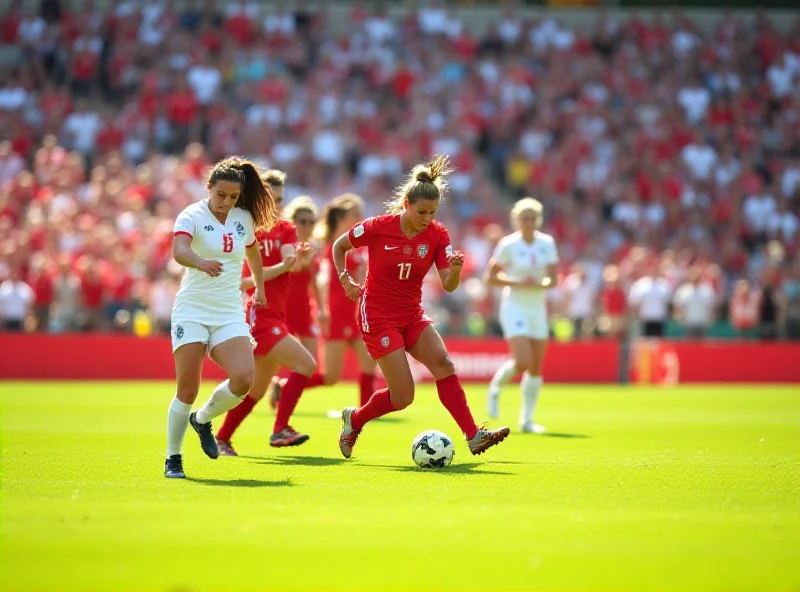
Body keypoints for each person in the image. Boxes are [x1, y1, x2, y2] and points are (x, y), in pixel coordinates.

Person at [332, 155, 510, 459]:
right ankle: (355, 420)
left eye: (433, 212)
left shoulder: (438, 235)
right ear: (406, 204)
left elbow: (449, 284)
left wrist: (453, 271)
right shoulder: (378, 227)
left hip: (411, 313)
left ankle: (473, 435)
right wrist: (345, 278)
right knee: (403, 397)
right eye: (422, 211)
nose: (427, 218)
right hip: (377, 315)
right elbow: (340, 246)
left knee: (444, 364)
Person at [165, 156, 278, 479]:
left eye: (233, 197)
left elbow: (253, 251)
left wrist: (259, 286)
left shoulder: (242, 217)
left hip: (228, 310)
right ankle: (173, 457)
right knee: (187, 390)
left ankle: (201, 419)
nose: (226, 202)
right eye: (221, 195)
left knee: (244, 378)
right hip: (193, 309)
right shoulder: (192, 215)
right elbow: (179, 251)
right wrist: (201, 262)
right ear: (209, 188)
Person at [214, 171, 317, 456]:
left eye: (281, 199)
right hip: (258, 313)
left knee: (256, 391)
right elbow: (242, 281)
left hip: (276, 314)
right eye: (271, 198)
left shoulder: (285, 227)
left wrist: (301, 259)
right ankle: (280, 429)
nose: (277, 204)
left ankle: (221, 438)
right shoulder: (243, 227)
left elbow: (290, 263)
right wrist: (284, 267)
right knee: (306, 365)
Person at [484, 198, 559, 434]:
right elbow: (490, 277)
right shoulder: (508, 244)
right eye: (524, 218)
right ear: (517, 220)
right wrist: (517, 281)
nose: (528, 222)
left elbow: (554, 280)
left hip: (537, 307)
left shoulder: (547, 243)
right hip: (514, 306)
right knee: (523, 360)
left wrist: (540, 283)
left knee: (535, 367)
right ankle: (496, 386)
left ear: (538, 220)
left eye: (532, 218)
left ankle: (527, 420)